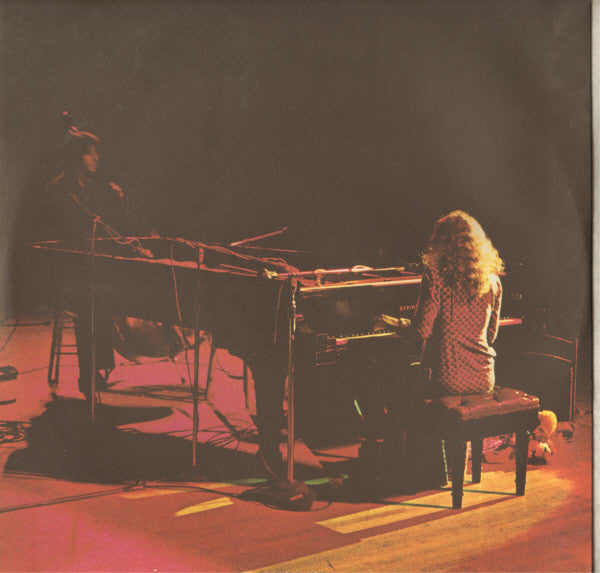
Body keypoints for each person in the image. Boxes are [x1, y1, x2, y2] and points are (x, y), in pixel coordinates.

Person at [372, 210, 504, 492]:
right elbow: (491, 335)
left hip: (446, 378)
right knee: (413, 385)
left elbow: (421, 330)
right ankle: (445, 463)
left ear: (441, 243)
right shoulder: (493, 281)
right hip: (484, 377)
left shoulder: (436, 277)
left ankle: (423, 467)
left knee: (394, 385)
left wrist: (390, 322)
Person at [44, 128, 128, 397]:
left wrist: (117, 199)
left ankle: (99, 367)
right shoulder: (60, 189)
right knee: (91, 299)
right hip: (66, 271)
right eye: (91, 153)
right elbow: (63, 232)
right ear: (77, 156)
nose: (97, 158)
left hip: (91, 266)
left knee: (104, 293)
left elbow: (108, 224)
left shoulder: (94, 187)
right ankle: (89, 373)